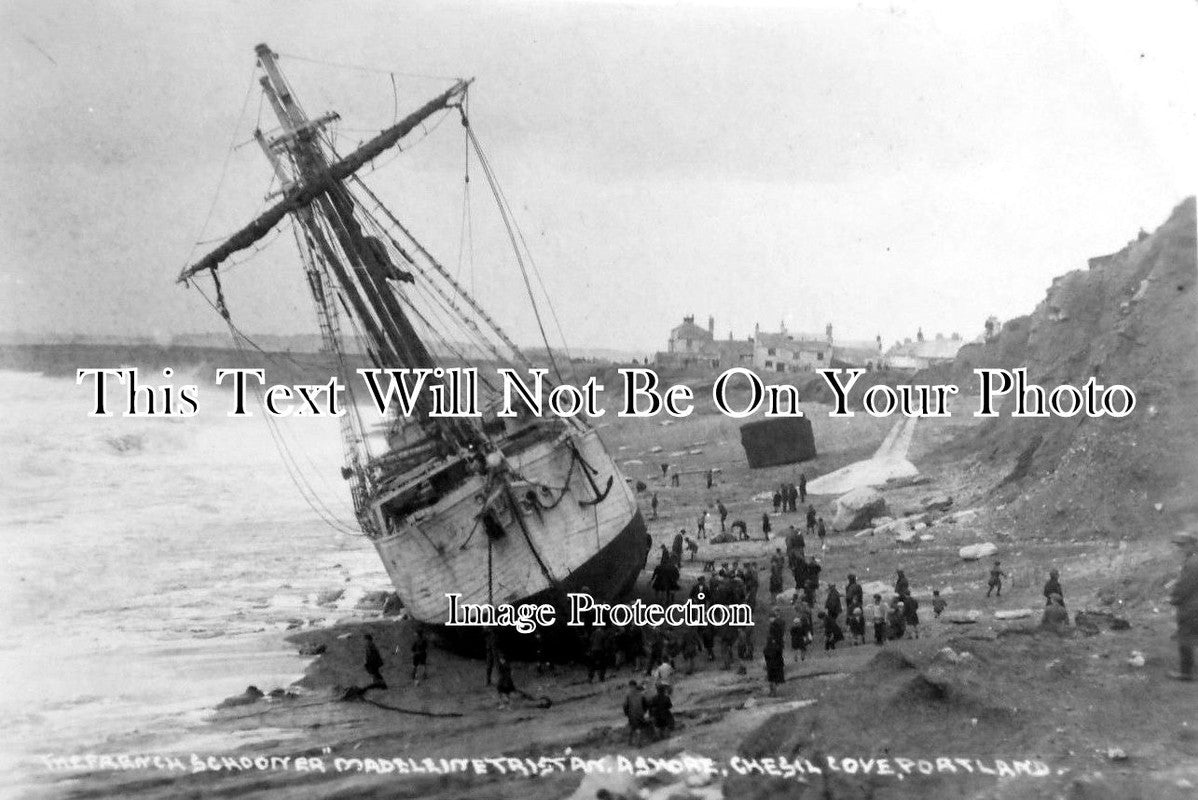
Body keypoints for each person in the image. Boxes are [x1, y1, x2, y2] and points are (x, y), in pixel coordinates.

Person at [1169, 532, 1198, 681]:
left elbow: (1185, 586)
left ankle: (1186, 673)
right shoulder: (1193, 561)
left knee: (1185, 639)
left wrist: (1174, 598)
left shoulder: (1193, 563)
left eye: (1183, 545)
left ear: (1193, 545)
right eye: (1179, 545)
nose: (1180, 548)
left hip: (1191, 608)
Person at [622, 680, 648, 745]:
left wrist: (626, 713)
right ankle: (635, 742)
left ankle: (632, 742)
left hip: (631, 714)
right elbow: (646, 704)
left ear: (630, 686)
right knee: (638, 727)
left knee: (633, 726)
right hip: (640, 713)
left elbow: (625, 705)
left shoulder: (628, 694)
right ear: (636, 685)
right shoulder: (641, 694)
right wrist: (644, 711)